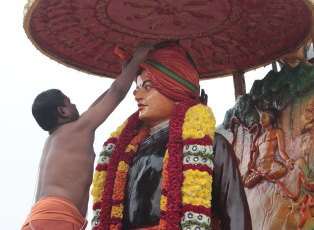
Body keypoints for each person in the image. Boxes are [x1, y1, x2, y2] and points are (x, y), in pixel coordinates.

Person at [91, 42, 252, 230]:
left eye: (147, 87)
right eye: (137, 88)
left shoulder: (211, 145)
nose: (137, 96)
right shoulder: (124, 152)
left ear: (175, 89)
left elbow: (235, 214)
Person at [21, 41, 153, 230]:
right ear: (62, 111)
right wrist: (139, 57)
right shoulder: (78, 130)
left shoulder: (57, 138)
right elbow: (116, 93)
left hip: (34, 220)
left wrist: (126, 72)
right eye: (70, 102)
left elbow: (96, 107)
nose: (75, 106)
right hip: (58, 219)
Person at [242, 108, 295, 188]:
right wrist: (248, 172)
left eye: (264, 117)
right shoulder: (258, 139)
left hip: (271, 164)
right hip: (260, 166)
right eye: (260, 118)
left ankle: (263, 176)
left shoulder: (277, 132)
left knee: (282, 169)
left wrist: (287, 160)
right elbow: (254, 160)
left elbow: (281, 150)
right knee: (247, 183)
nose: (261, 120)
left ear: (271, 118)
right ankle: (262, 175)